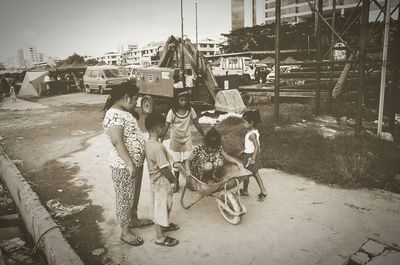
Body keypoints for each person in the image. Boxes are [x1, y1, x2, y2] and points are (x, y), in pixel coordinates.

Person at [102, 81, 153, 247]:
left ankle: (134, 219)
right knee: (124, 197)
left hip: (134, 164)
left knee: (134, 194)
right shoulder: (114, 114)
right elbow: (117, 141)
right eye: (136, 99)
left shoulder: (124, 112)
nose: (137, 103)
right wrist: (130, 163)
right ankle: (125, 231)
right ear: (126, 97)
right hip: (123, 166)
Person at [145, 113, 179, 247]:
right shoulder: (157, 147)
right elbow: (164, 169)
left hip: (156, 181)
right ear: (158, 129)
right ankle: (160, 237)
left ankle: (164, 225)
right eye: (164, 127)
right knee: (161, 208)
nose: (166, 130)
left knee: (165, 205)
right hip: (161, 181)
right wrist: (174, 180)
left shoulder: (150, 143)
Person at [162, 89, 205, 192]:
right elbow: (166, 126)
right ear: (176, 100)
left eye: (186, 100)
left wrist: (204, 134)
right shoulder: (172, 112)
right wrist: (161, 139)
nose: (184, 102)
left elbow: (196, 122)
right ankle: (176, 182)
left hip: (187, 139)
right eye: (181, 100)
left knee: (187, 162)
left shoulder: (190, 110)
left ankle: (188, 182)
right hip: (175, 139)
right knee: (177, 164)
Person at [239, 110, 268, 202]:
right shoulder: (252, 132)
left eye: (244, 122)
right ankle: (247, 190)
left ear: (251, 123)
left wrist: (252, 158)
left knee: (247, 174)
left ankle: (259, 191)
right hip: (249, 155)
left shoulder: (251, 135)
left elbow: (256, 147)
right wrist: (243, 151)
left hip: (250, 157)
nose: (243, 124)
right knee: (254, 174)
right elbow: (250, 146)